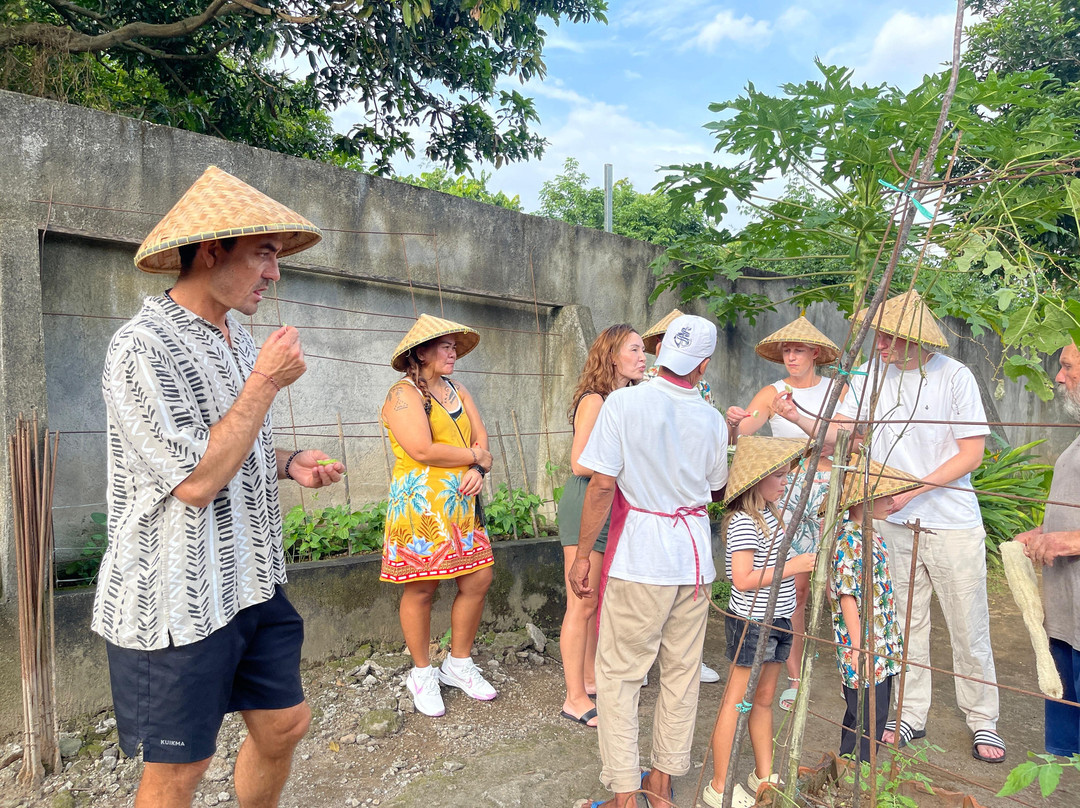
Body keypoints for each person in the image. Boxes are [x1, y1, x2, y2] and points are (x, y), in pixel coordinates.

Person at [93, 165, 345, 808]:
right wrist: (264, 383)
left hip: (250, 581)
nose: (275, 272)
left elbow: (229, 438)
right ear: (211, 251)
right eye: (264, 253)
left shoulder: (234, 338)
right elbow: (196, 479)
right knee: (181, 768)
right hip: (174, 598)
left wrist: (287, 462)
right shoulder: (140, 347)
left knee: (285, 724)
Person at [773, 289, 1005, 763]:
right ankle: (909, 712)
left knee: (968, 626)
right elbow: (844, 430)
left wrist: (911, 491)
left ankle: (984, 720)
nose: (876, 344)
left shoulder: (954, 377)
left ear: (911, 337)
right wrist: (798, 415)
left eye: (884, 336)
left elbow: (971, 453)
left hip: (951, 521)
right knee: (902, 624)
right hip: (890, 522)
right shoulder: (872, 376)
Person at [569, 314, 729, 808]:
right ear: (703, 365)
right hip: (694, 557)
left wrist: (582, 557)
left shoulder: (624, 403)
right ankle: (660, 787)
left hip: (641, 556)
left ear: (664, 355)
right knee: (681, 674)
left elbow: (601, 483)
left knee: (619, 676)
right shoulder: (712, 417)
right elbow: (717, 489)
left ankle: (624, 794)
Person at [381, 313, 497, 718]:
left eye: (453, 346)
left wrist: (478, 468)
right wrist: (475, 457)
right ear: (422, 352)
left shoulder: (457, 388)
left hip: (461, 504)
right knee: (422, 588)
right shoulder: (403, 394)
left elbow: (482, 440)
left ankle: (458, 663)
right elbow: (422, 449)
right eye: (445, 346)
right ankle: (422, 672)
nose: (453, 352)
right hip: (421, 506)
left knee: (479, 577)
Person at [726, 315, 841, 709]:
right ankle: (796, 675)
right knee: (796, 585)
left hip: (832, 489)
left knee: (837, 584)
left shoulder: (837, 390)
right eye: (786, 350)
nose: (791, 356)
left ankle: (851, 668)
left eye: (798, 349)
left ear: (816, 353)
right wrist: (735, 422)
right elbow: (747, 430)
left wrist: (800, 421)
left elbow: (852, 440)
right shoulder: (773, 392)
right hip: (789, 491)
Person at [704, 436, 816, 808]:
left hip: (778, 618)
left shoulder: (770, 515)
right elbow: (742, 579)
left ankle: (763, 774)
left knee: (764, 698)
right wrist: (794, 565)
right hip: (752, 623)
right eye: (780, 476)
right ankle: (719, 784)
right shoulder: (742, 521)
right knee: (737, 702)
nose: (786, 482)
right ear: (758, 480)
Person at [557, 324, 646, 728]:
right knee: (582, 602)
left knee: (596, 600)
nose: (644, 357)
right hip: (586, 501)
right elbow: (579, 463)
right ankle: (573, 697)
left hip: (609, 501)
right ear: (613, 356)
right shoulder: (595, 400)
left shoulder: (623, 398)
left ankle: (590, 678)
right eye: (635, 349)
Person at [641, 308, 722, 685]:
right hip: (662, 513)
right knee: (649, 611)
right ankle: (644, 666)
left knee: (676, 620)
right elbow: (716, 483)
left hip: (677, 518)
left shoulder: (705, 404)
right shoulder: (637, 392)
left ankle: (672, 663)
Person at [826, 455, 921, 762]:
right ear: (861, 500)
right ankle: (857, 770)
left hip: (880, 638)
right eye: (884, 494)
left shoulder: (870, 533)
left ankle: (848, 766)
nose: (892, 500)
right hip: (865, 641)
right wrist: (857, 644)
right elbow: (847, 595)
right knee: (868, 714)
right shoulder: (849, 540)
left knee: (871, 711)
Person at [1017, 342, 1080, 757]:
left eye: (1067, 367)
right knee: (1069, 754)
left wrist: (1071, 540)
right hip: (1065, 618)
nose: (1058, 377)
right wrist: (1043, 531)